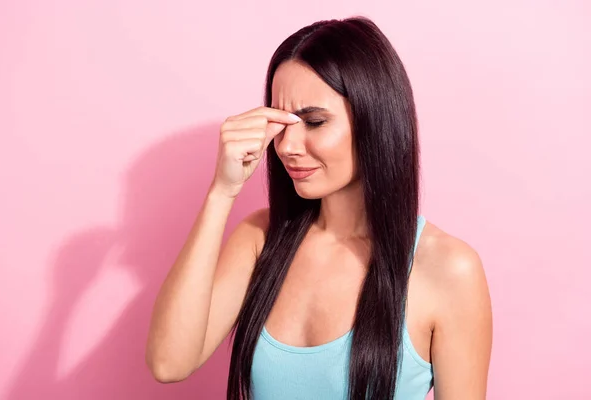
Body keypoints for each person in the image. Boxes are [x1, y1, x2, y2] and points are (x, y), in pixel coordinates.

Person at [145, 15, 492, 400]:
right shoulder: (261, 240)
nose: (287, 146)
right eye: (282, 123)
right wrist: (221, 192)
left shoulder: (449, 269)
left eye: (313, 121)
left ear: (374, 120)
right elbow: (169, 363)